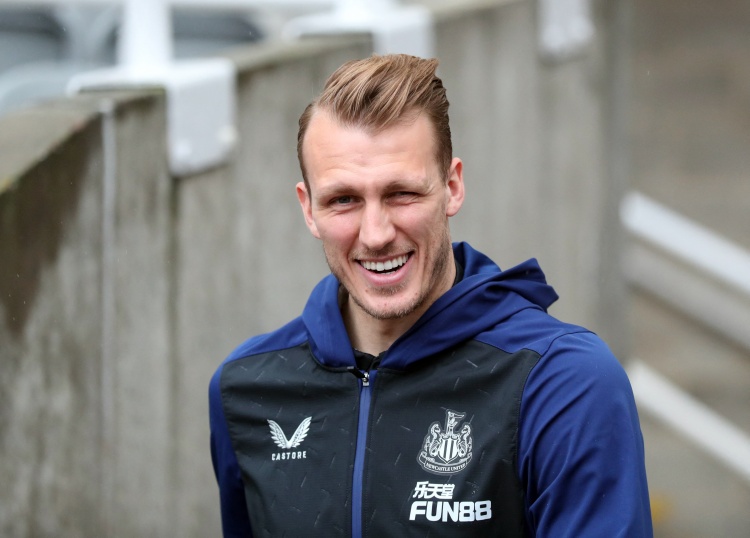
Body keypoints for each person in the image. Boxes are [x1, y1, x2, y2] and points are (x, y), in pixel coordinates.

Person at [209, 53, 652, 537]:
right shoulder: (245, 389)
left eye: (401, 193)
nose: (376, 234)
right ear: (308, 208)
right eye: (344, 200)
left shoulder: (562, 382)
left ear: (452, 187)